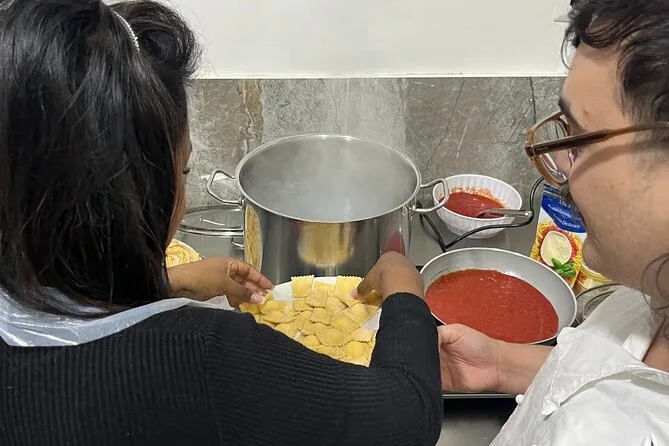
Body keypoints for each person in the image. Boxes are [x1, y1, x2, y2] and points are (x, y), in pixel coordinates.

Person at [0, 1, 442, 445]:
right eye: (183, 170)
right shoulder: (205, 359)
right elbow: (404, 417)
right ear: (134, 198)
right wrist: (405, 290)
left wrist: (167, 282)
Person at [438, 0, 669, 444]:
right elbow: (613, 370)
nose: (561, 162)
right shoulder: (651, 286)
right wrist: (502, 364)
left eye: (579, 140)